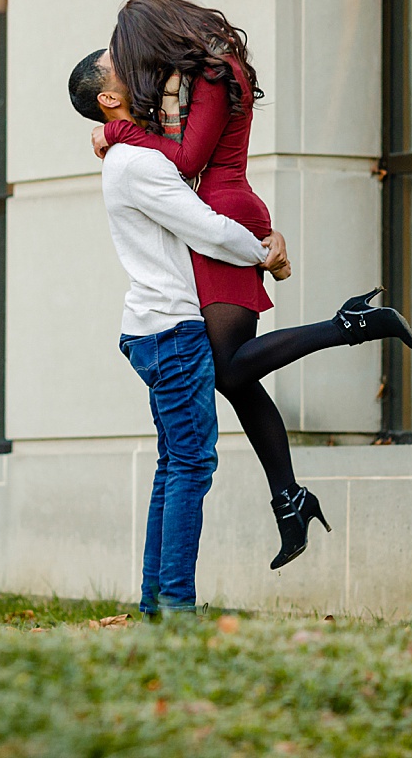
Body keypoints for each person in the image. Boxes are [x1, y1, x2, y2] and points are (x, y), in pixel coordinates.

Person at [89, 0, 412, 570]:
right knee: (232, 375)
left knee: (223, 368)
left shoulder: (214, 73)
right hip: (220, 212)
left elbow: (188, 161)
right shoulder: (201, 71)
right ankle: (289, 499)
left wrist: (117, 133)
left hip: (226, 215)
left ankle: (349, 326)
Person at [68, 49, 288, 616]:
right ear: (109, 98)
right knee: (192, 464)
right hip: (171, 330)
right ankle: (176, 608)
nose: (141, 67)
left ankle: (156, 604)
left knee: (176, 464)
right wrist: (266, 253)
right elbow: (208, 228)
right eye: (123, 65)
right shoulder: (136, 164)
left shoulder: (128, 154)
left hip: (155, 328)